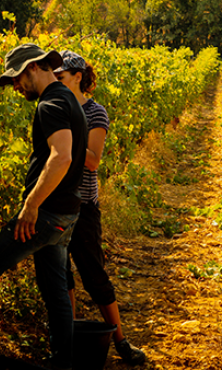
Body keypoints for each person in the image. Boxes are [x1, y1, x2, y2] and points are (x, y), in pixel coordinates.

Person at [0, 43, 88, 370]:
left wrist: (31, 205)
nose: (16, 87)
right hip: (66, 213)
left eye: (17, 78)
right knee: (55, 290)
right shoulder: (69, 99)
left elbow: (62, 157)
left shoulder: (50, 104)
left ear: (34, 67)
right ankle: (63, 361)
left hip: (45, 215)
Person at [53, 50, 146, 366]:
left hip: (83, 206)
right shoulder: (54, 108)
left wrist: (61, 152)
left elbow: (92, 161)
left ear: (77, 77)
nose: (56, 83)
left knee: (93, 275)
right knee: (62, 277)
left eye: (61, 78)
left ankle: (120, 341)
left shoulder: (95, 112)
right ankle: (67, 345)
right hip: (54, 204)